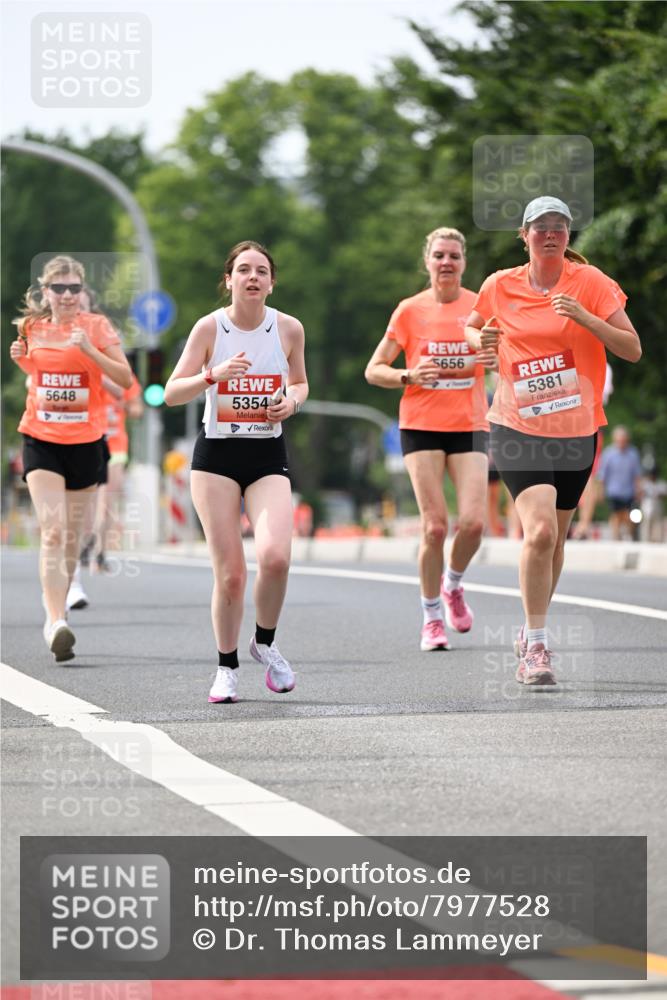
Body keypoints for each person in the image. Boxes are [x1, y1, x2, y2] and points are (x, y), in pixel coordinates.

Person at [466, 196, 641, 686]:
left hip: (576, 432)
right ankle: (538, 649)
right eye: (540, 227)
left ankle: (528, 628)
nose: (550, 234)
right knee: (539, 533)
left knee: (556, 538)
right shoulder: (500, 284)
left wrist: (586, 317)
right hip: (517, 424)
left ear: (568, 236)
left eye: (559, 227)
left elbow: (631, 349)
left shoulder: (592, 283)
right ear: (524, 236)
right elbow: (472, 324)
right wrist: (477, 342)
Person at [164, 241, 308, 703]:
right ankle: (226, 667)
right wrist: (213, 375)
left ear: (271, 282)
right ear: (228, 280)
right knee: (230, 575)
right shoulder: (210, 327)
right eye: (243, 270)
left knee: (276, 558)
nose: (252, 277)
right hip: (217, 458)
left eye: (261, 271)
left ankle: (264, 642)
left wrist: (292, 401)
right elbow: (170, 393)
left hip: (266, 454)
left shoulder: (288, 328)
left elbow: (300, 381)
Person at [365, 227, 489, 651]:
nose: (446, 263)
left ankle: (452, 583)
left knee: (473, 523)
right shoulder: (409, 311)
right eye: (439, 255)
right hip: (420, 424)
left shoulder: (479, 306)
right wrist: (407, 375)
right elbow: (374, 368)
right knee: (434, 526)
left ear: (463, 262)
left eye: (454, 256)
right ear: (427, 261)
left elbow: (504, 352)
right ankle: (432, 616)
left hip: (470, 424)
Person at [9, 255, 132, 662]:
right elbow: (39, 373)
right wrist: (21, 358)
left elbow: (124, 379)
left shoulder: (97, 327)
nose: (66, 295)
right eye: (58, 288)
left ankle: (59, 611)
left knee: (72, 538)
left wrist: (90, 351)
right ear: (46, 292)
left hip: (86, 442)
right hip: (41, 439)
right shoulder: (32, 327)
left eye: (73, 288)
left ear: (82, 292)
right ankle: (55, 620)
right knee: (54, 531)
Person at [597, 425, 643, 540]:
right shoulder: (608, 454)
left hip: (629, 492)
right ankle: (616, 537)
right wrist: (601, 491)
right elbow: (602, 475)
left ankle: (629, 536)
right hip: (613, 491)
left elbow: (637, 475)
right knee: (616, 515)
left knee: (629, 516)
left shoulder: (633, 454)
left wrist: (638, 490)